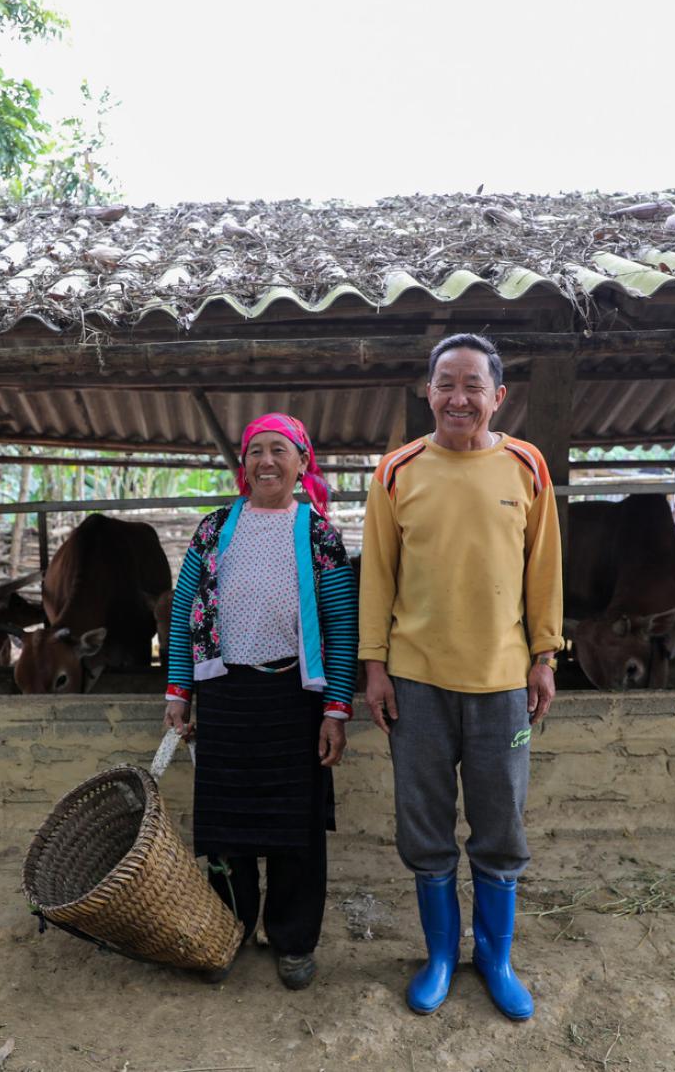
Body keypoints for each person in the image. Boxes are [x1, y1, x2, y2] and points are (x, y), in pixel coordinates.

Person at [358, 333, 563, 1020]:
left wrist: (543, 657)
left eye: (473, 385)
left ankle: (495, 959)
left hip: (502, 683)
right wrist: (375, 668)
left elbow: (544, 573)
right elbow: (377, 579)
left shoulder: (528, 467)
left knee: (500, 824)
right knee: (425, 826)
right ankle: (442, 955)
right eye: (446, 383)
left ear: (497, 397)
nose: (458, 397)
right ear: (428, 392)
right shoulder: (396, 472)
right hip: (416, 680)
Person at [163, 412, 358, 990]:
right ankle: (231, 928)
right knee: (226, 826)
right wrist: (180, 691)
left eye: (279, 450)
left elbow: (342, 626)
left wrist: (336, 710)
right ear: (242, 465)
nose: (266, 461)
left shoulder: (318, 534)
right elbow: (182, 613)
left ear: (303, 462)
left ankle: (294, 939)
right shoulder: (214, 528)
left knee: (295, 829)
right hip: (225, 697)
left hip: (294, 698)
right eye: (255, 452)